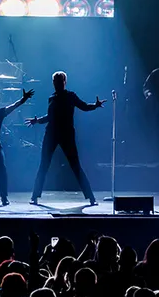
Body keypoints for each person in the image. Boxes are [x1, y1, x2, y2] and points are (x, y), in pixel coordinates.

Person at [26, 71, 104, 206]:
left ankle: (91, 197)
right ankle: (35, 196)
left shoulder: (70, 96)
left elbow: (84, 106)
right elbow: (50, 117)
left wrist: (95, 106)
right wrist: (37, 120)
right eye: (56, 82)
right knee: (44, 164)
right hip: (51, 134)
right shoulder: (52, 98)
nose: (58, 84)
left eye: (60, 81)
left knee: (75, 165)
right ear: (53, 83)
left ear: (64, 82)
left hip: (66, 134)